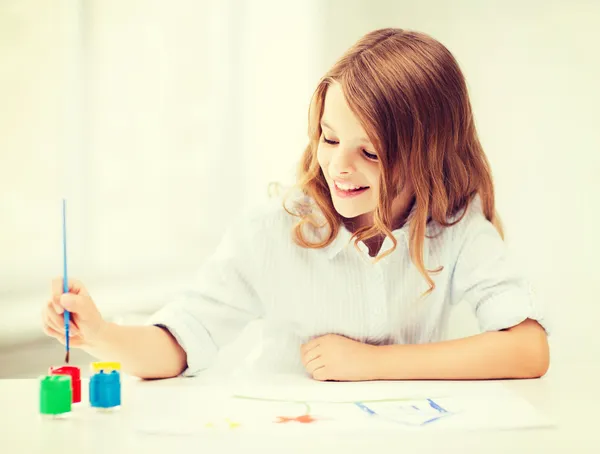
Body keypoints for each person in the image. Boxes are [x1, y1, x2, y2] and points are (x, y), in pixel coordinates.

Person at [41, 28, 549, 382]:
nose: (340, 168)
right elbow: (180, 342)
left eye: (370, 152)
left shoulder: (455, 224)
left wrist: (372, 364)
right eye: (329, 140)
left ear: (428, 155)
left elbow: (529, 349)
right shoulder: (271, 230)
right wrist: (101, 335)